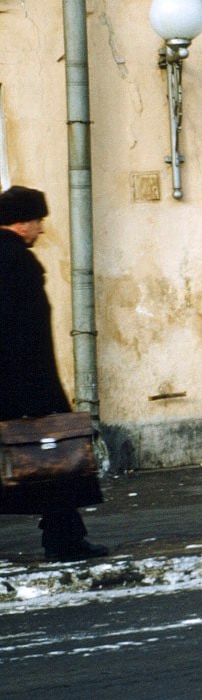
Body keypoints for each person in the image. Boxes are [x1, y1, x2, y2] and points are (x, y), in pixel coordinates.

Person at [0, 186, 107, 561]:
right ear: (23, 221)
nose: (42, 230)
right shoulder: (19, 262)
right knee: (56, 464)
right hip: (28, 384)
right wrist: (44, 392)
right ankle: (64, 540)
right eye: (39, 220)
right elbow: (26, 334)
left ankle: (65, 538)